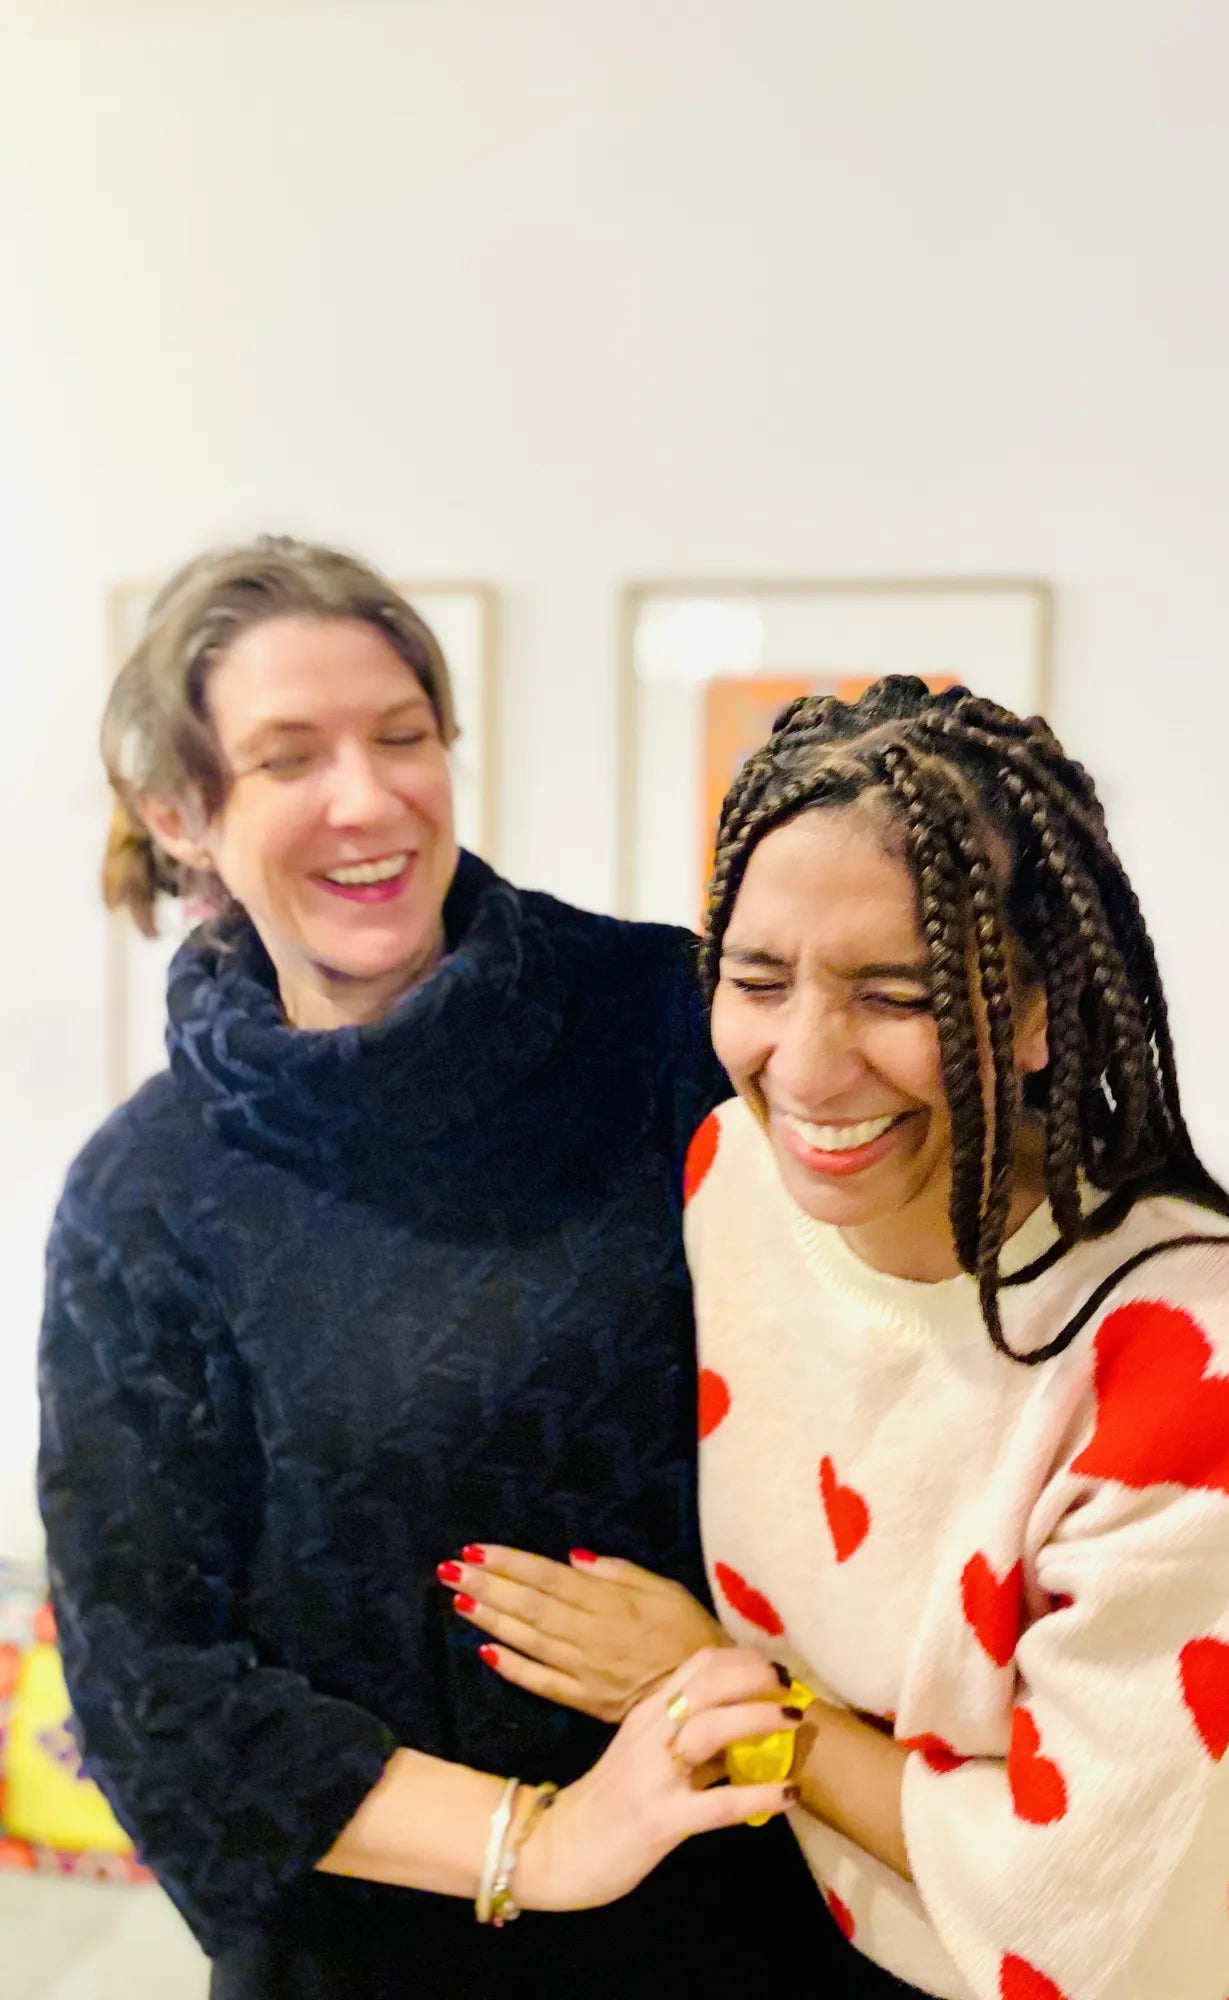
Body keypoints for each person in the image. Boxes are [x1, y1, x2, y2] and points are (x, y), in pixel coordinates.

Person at [447, 677, 1229, 2000]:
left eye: (895, 996)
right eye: (757, 979)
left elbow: (1093, 1922)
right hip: (867, 1937)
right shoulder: (735, 1177)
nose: (805, 1066)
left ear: (1035, 1011)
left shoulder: (1199, 1354)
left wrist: (734, 1704)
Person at [37, 538, 914, 1999]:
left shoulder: (667, 1019)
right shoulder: (147, 1194)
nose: (368, 798)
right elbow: (152, 1688)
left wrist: (751, 1680)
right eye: (290, 757)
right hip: (385, 1953)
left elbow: (917, 1362)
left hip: (771, 1896)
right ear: (180, 814)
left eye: (402, 738)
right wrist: (544, 1841)